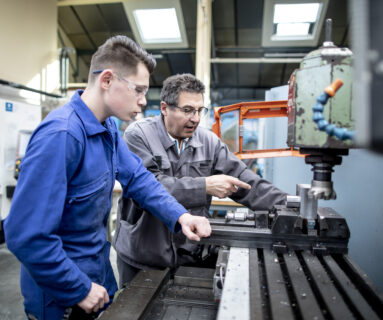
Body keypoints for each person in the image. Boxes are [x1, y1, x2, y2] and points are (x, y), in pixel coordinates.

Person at [4, 37, 211, 320]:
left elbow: (139, 179)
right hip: (60, 298)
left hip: (97, 279)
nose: (142, 101)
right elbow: (25, 235)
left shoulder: (108, 129)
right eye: (138, 90)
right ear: (107, 80)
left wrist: (181, 217)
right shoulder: (62, 136)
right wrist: (77, 288)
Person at [113, 73, 287, 287]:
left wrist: (288, 205)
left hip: (188, 252)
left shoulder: (208, 141)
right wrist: (205, 186)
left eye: (199, 110)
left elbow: (244, 180)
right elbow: (149, 187)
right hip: (142, 256)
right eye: (187, 110)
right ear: (165, 108)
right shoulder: (138, 135)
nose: (195, 118)